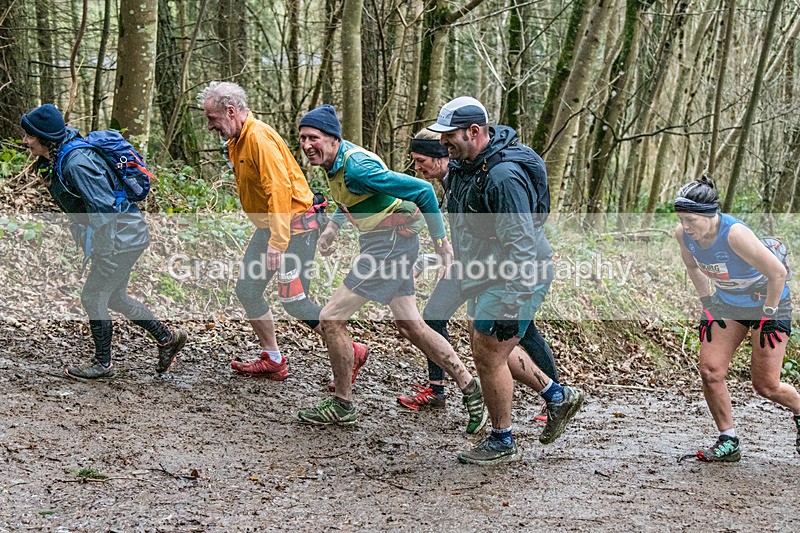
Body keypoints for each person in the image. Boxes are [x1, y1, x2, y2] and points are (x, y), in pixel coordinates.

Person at [295, 104, 487, 433]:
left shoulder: (357, 167)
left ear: (333, 139)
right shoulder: (336, 162)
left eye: (314, 137)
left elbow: (423, 191)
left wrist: (443, 246)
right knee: (411, 325)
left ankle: (342, 404)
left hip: (389, 244)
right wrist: (333, 228)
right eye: (302, 138)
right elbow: (349, 198)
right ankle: (471, 390)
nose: (307, 144)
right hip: (382, 242)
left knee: (330, 319)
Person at [428, 96, 584, 464]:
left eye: (448, 136)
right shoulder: (469, 165)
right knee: (487, 346)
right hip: (486, 273)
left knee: (487, 354)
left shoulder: (503, 176)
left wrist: (513, 303)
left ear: (475, 131)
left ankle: (502, 440)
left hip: (515, 274)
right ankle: (557, 397)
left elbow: (521, 247)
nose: (443, 144)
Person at [198, 82, 369, 381]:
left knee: (294, 301)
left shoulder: (258, 139)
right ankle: (274, 359)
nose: (210, 125)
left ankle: (351, 349)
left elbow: (279, 189)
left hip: (295, 229)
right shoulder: (237, 140)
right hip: (271, 226)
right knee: (248, 290)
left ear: (230, 111)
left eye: (212, 118)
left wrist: (278, 242)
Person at [398, 129, 560, 423]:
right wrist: (434, 258)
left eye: (421, 160)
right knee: (434, 316)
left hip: (497, 269)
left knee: (520, 334)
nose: (417, 168)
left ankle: (554, 398)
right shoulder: (455, 178)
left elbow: (507, 236)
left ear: (440, 157)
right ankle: (437, 389)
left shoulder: (478, 174)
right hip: (470, 266)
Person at [20, 104, 187, 379]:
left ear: (44, 137)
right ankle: (168, 339)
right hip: (124, 235)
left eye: (29, 136)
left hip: (121, 238)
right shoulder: (59, 156)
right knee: (115, 297)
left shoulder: (76, 162)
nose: (25, 141)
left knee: (93, 295)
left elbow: (103, 209)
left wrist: (105, 253)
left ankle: (103, 364)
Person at [674, 175, 800, 461]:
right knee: (710, 372)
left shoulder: (734, 235)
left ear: (710, 214)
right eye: (681, 218)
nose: (686, 226)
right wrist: (707, 304)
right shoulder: (683, 235)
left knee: (766, 385)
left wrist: (768, 315)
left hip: (768, 303)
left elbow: (778, 273)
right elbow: (693, 268)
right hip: (728, 305)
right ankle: (728, 439)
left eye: (691, 219)